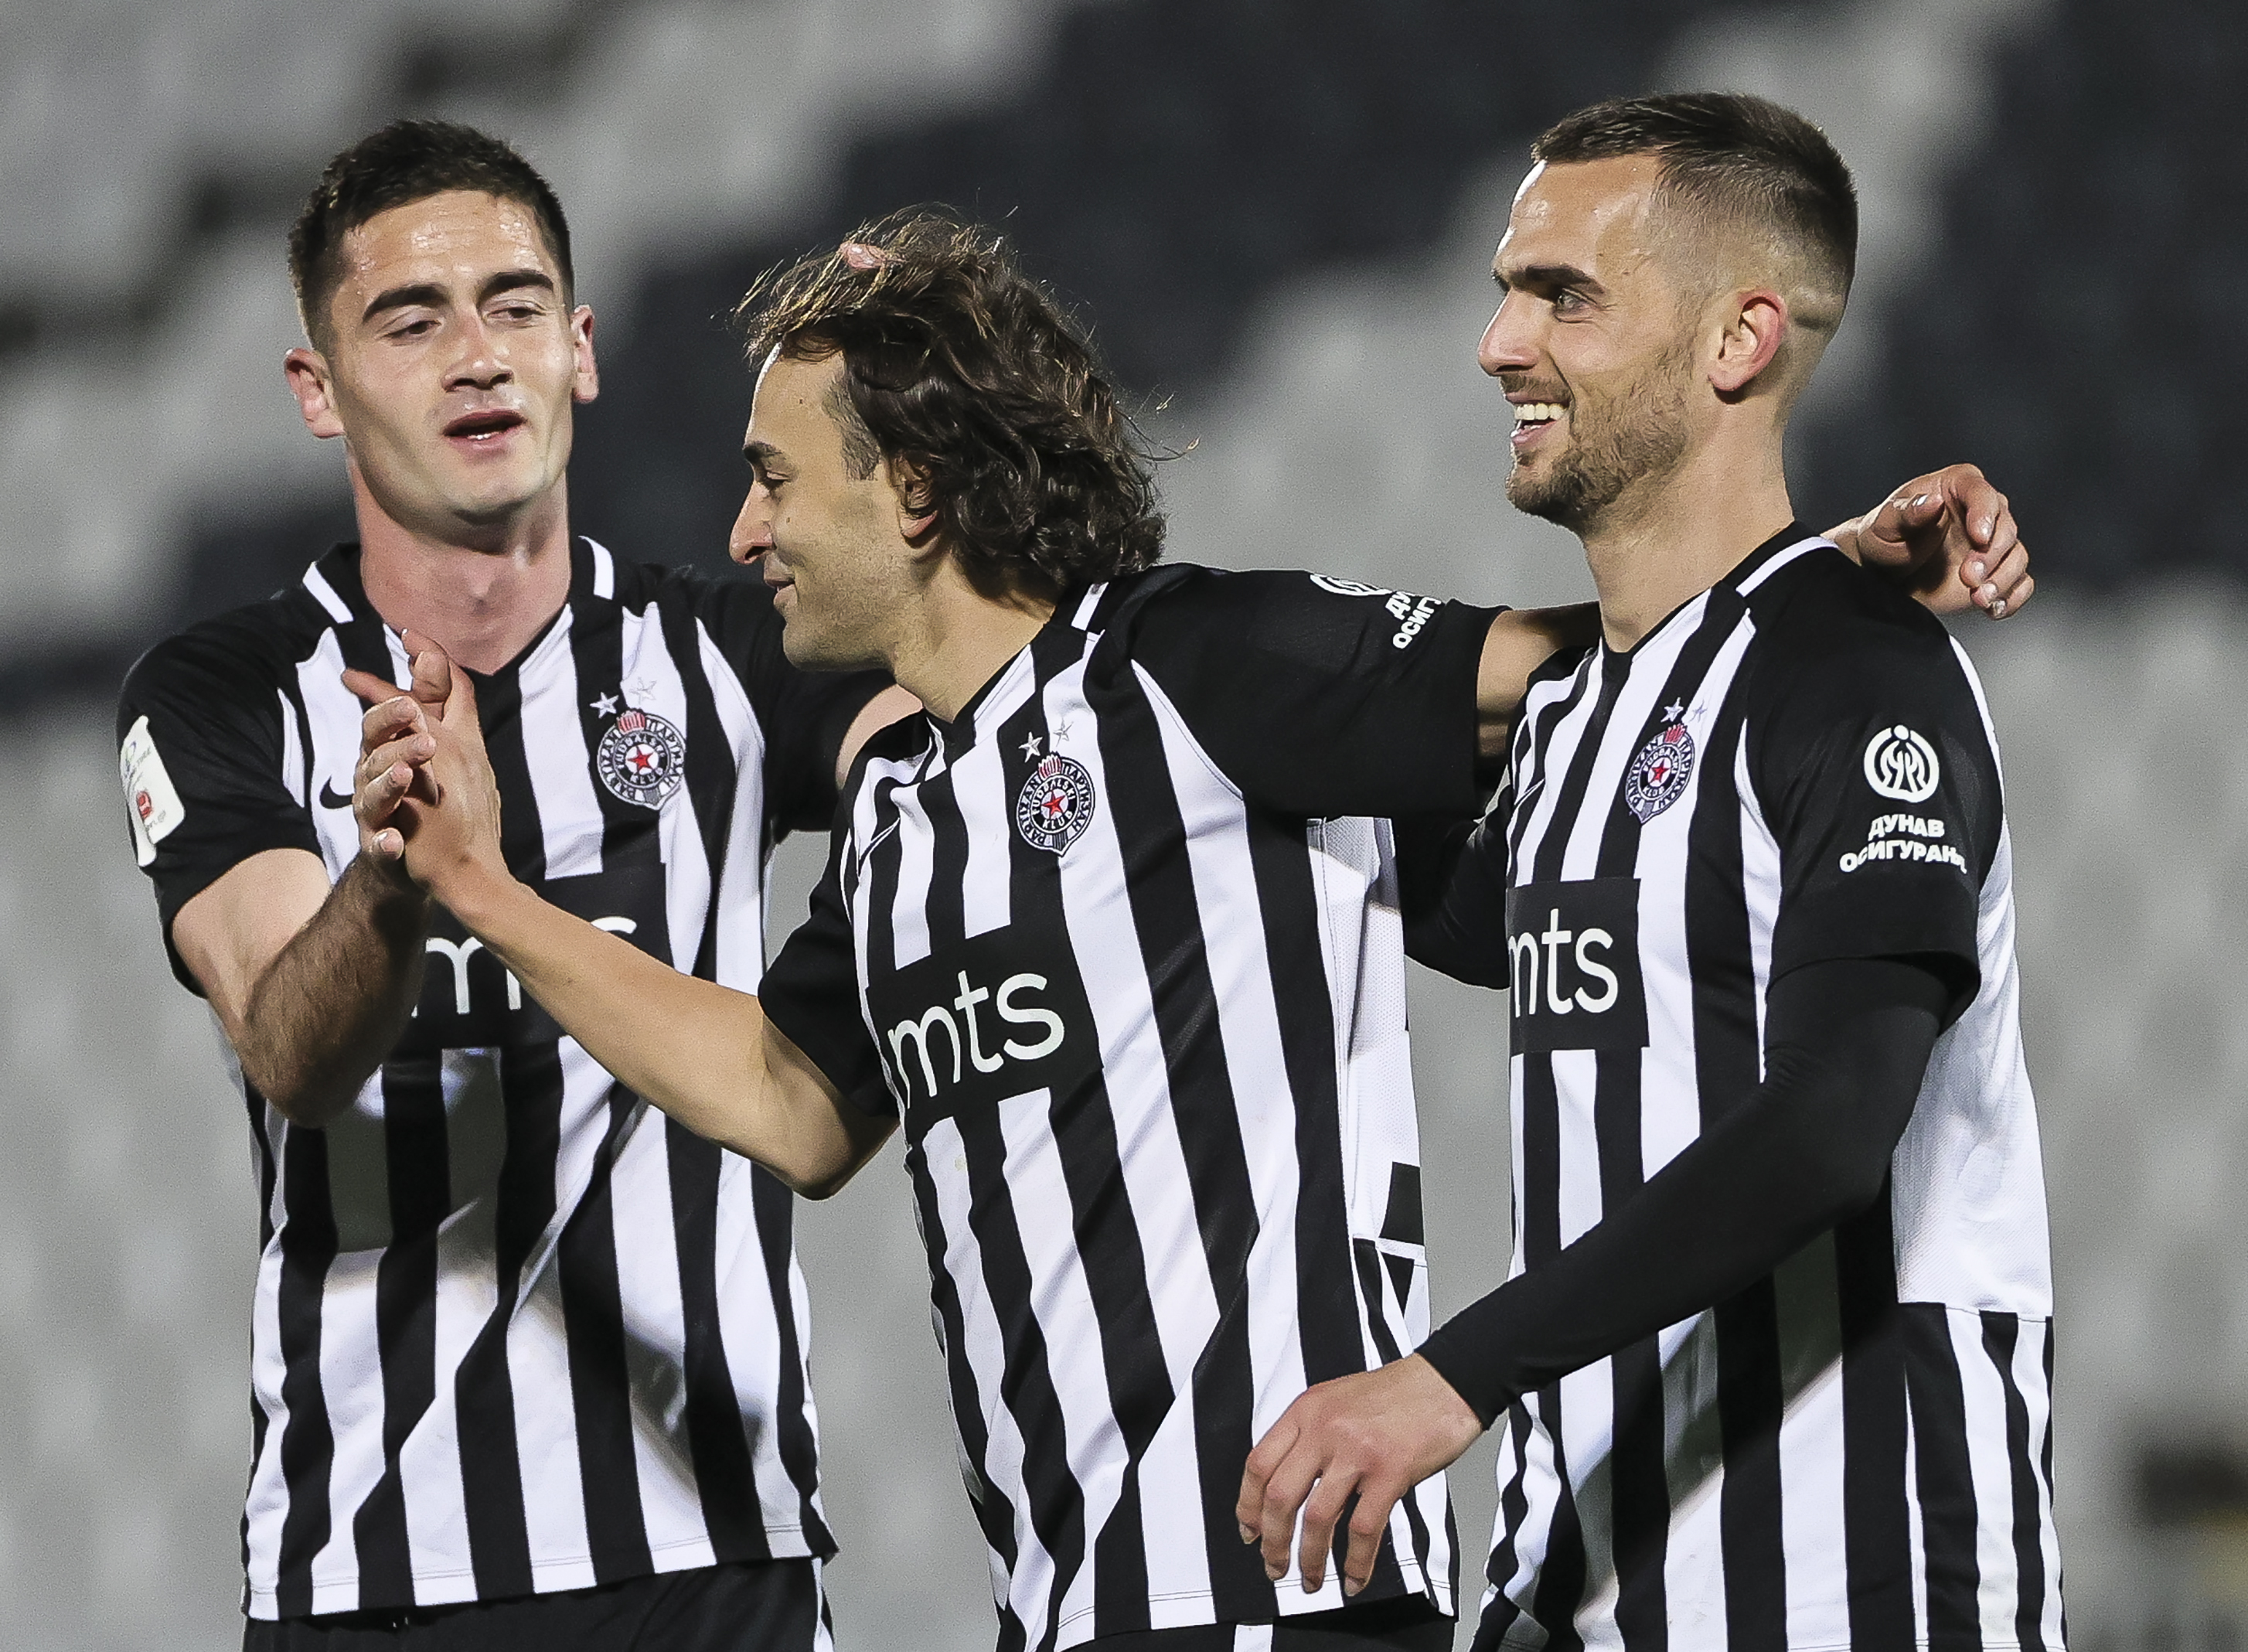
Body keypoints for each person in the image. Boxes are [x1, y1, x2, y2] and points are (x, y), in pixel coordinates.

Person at [349, 205, 2030, 1651]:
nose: (742, 534)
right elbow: (790, 1097)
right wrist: (489, 896)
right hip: (1072, 1604)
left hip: (1287, 1590)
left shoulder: (1191, 669)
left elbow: (1582, 657)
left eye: (775, 480)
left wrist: (1816, 572)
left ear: (916, 492)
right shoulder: (895, 813)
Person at [1235, 93, 2063, 1650]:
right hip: (1591, 1585)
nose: (1497, 343)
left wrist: (1449, 1374)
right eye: (1505, 289)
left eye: (1564, 294)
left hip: (1851, 1579)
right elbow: (1337, 833)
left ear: (1738, 340)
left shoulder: (1856, 671)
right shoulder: (1573, 722)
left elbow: (1830, 1121)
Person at [114, 121, 903, 1649]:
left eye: (517, 304)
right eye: (410, 320)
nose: (478, 355)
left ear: (583, 350)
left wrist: (932, 422)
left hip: (711, 1560)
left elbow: (968, 727)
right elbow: (290, 1049)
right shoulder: (223, 690)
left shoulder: (739, 655)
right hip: (379, 1571)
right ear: (317, 392)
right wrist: (404, 882)